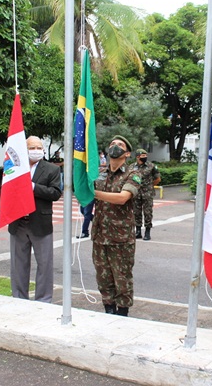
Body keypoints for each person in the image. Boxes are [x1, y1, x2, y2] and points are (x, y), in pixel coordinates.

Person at [8, 136, 62, 303]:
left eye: (39, 148)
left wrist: (32, 187)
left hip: (40, 223)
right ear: (25, 150)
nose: (36, 151)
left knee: (44, 265)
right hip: (19, 222)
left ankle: (43, 300)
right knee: (18, 265)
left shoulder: (51, 169)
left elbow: (55, 193)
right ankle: (19, 298)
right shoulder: (15, 167)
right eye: (32, 147)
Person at [92, 135, 141, 317]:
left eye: (120, 145)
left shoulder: (133, 174)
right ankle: (108, 311)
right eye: (112, 144)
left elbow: (122, 198)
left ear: (127, 153)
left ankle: (122, 316)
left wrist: (94, 193)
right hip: (100, 236)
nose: (115, 147)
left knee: (122, 280)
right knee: (103, 279)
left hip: (120, 238)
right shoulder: (99, 174)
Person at [129, 149, 161, 240]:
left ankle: (147, 232)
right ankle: (138, 231)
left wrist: (149, 186)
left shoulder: (151, 166)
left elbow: (158, 179)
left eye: (146, 155)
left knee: (148, 212)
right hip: (136, 193)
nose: (145, 157)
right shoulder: (131, 167)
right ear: (137, 156)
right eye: (143, 156)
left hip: (147, 193)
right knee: (136, 212)